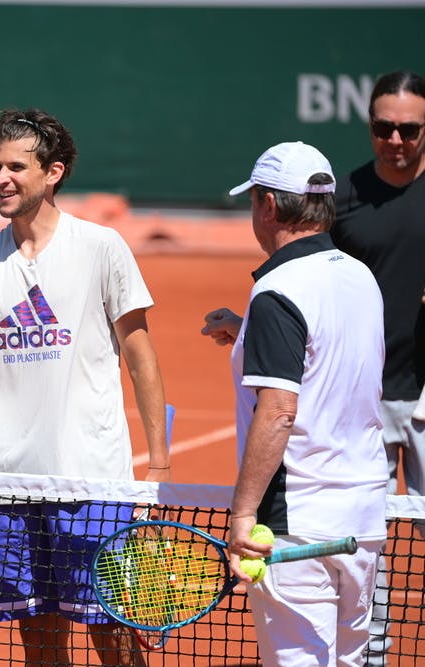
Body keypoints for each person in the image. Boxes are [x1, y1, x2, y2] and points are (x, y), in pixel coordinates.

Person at [0, 108, 169, 666]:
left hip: (91, 483)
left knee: (113, 636)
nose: (1, 177)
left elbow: (141, 357)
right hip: (10, 487)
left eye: (16, 167)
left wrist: (160, 468)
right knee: (40, 641)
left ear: (52, 172)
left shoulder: (101, 248)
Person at [202, 141, 388, 666]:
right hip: (363, 519)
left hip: (298, 523)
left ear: (269, 204)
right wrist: (247, 337)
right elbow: (330, 358)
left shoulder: (278, 291)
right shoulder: (360, 277)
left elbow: (281, 409)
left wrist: (242, 516)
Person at [329, 70, 425, 666]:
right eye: (384, 127)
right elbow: (306, 278)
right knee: (368, 539)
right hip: (360, 396)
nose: (395, 139)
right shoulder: (340, 199)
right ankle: (374, 656)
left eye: (409, 129)